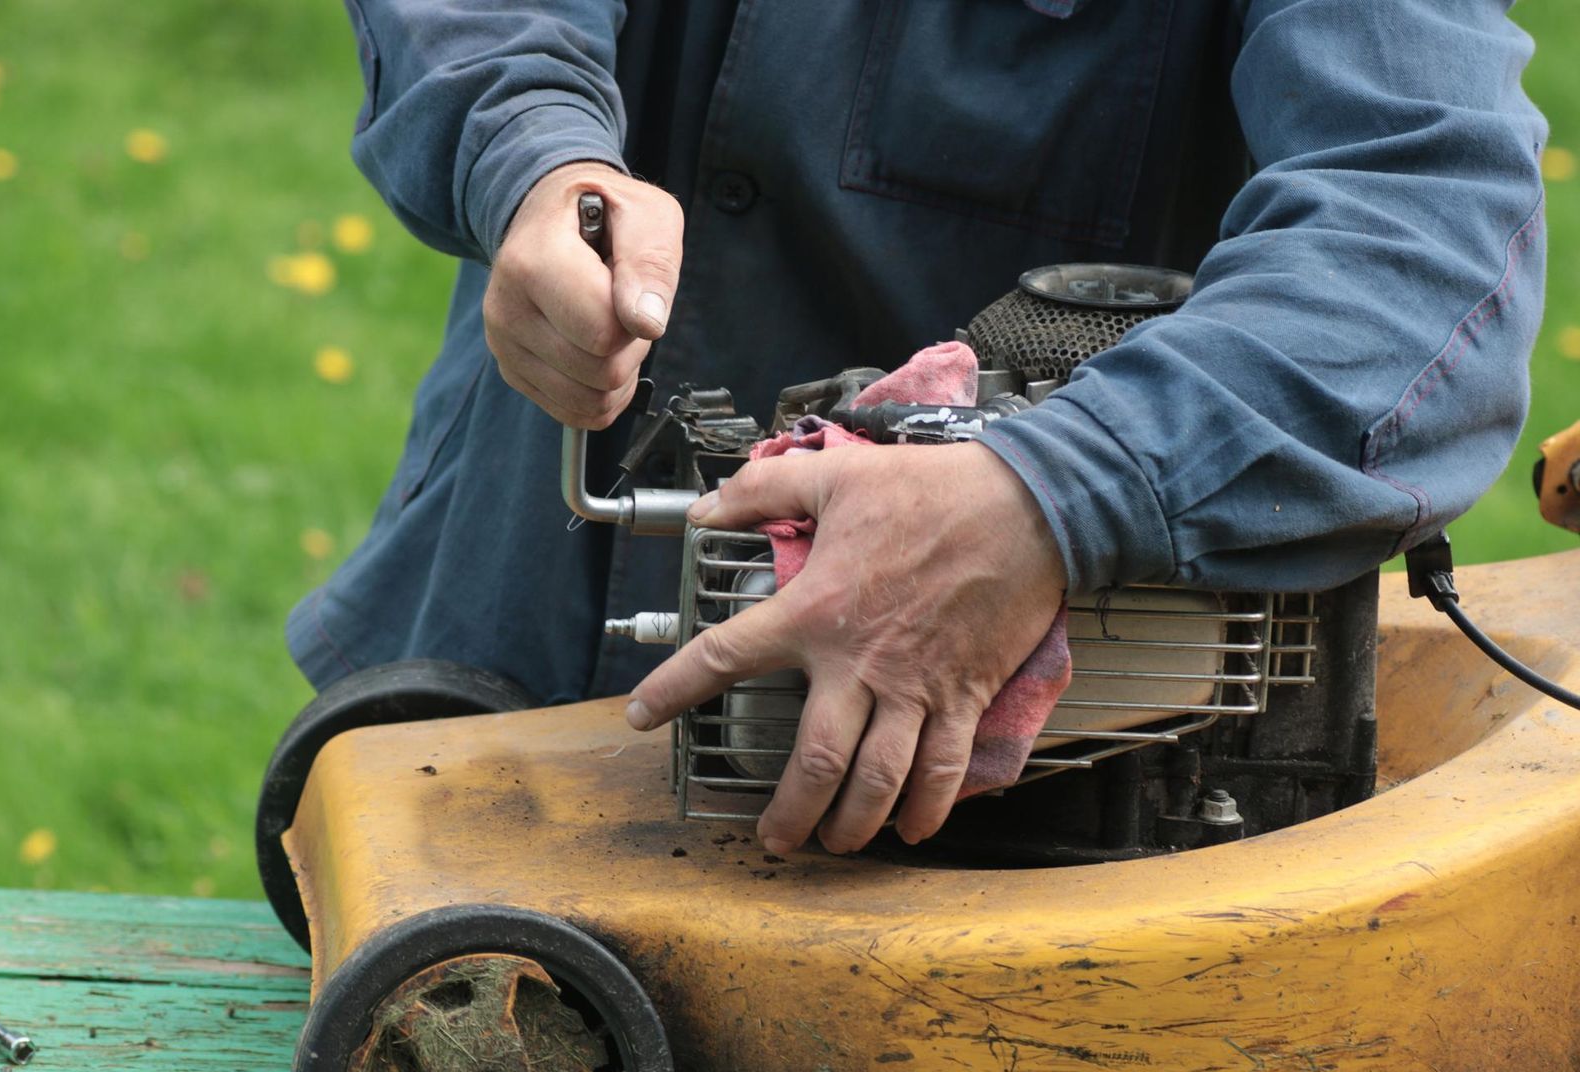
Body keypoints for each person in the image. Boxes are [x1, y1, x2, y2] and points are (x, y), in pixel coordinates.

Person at [289, 0, 1546, 857]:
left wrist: (1058, 492)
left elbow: (1425, 226)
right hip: (504, 622)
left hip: (1018, 816)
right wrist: (529, 145)